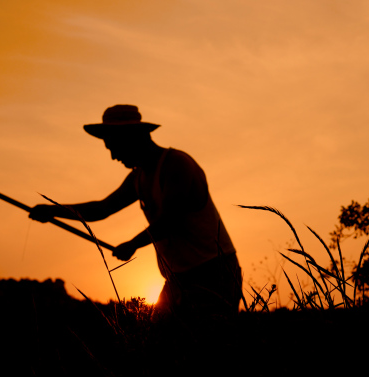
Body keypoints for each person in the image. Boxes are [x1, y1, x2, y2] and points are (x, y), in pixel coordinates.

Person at [29, 104, 242, 317]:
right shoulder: (138, 178)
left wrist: (133, 244)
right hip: (178, 279)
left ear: (131, 137)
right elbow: (102, 209)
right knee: (160, 343)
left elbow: (170, 220)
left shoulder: (177, 164)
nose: (113, 156)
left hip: (215, 273)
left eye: (113, 146)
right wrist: (53, 211)